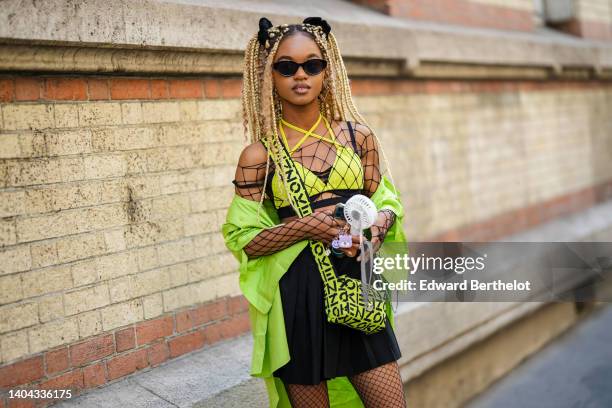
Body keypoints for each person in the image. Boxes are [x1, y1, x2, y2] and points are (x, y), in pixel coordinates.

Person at [222, 16, 409, 408]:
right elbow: (246, 241)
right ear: (268, 76)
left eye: (313, 64)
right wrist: (307, 227)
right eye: (286, 67)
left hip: (357, 285)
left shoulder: (359, 137)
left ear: (329, 70)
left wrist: (376, 230)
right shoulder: (260, 155)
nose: (300, 75)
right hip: (299, 297)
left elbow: (387, 201)